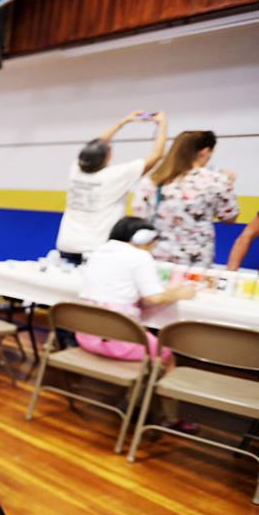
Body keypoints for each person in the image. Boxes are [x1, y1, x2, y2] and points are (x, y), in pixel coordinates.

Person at [54, 111, 168, 264]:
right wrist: (162, 123)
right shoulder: (116, 176)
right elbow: (156, 155)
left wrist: (122, 122)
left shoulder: (76, 170)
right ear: (107, 157)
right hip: (96, 248)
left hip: (67, 244)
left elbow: (95, 145)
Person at [77, 217, 197, 361]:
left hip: (86, 335)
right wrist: (183, 293)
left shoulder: (98, 251)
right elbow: (155, 298)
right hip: (118, 338)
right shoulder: (140, 256)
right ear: (144, 239)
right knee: (167, 356)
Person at [131, 130, 239, 266]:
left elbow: (139, 216)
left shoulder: (152, 180)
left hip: (154, 256)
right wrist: (230, 183)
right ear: (204, 152)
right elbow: (229, 217)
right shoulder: (216, 180)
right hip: (194, 261)